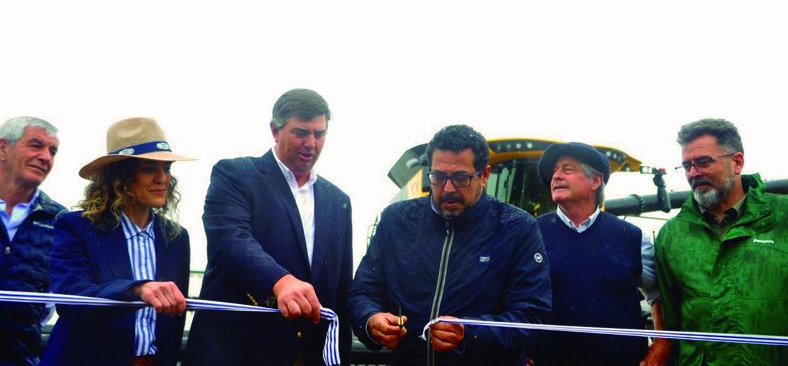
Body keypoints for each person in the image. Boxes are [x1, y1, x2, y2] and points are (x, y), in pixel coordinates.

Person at [349, 124, 551, 366]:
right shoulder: (396, 220)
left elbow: (531, 316)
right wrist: (371, 320)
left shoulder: (517, 228)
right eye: (438, 177)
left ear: (484, 175)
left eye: (461, 178)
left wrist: (469, 332)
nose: (448, 189)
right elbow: (363, 291)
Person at [186, 88, 353, 366]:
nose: (311, 143)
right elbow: (230, 241)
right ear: (275, 130)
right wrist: (281, 282)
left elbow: (340, 288)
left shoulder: (339, 200)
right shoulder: (235, 175)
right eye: (301, 132)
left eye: (319, 134)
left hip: (308, 355)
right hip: (237, 351)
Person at [42, 117, 193, 366]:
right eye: (149, 168)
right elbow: (72, 301)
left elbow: (174, 318)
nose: (162, 179)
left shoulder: (176, 237)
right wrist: (136, 289)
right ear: (119, 177)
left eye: (166, 169)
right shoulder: (75, 227)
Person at [655, 118, 787, 365]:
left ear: (737, 162)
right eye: (686, 165)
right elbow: (671, 323)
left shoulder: (783, 218)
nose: (693, 173)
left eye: (703, 162)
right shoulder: (671, 235)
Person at [533, 142, 669, 366]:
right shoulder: (530, 234)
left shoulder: (632, 238)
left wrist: (661, 343)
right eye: (554, 170)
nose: (555, 176)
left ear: (596, 181)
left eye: (567, 169)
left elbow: (656, 295)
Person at [0, 116, 66, 366]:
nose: (46, 158)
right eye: (36, 145)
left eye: (52, 151)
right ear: (3, 148)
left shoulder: (59, 219)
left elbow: (51, 302)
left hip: (21, 358)